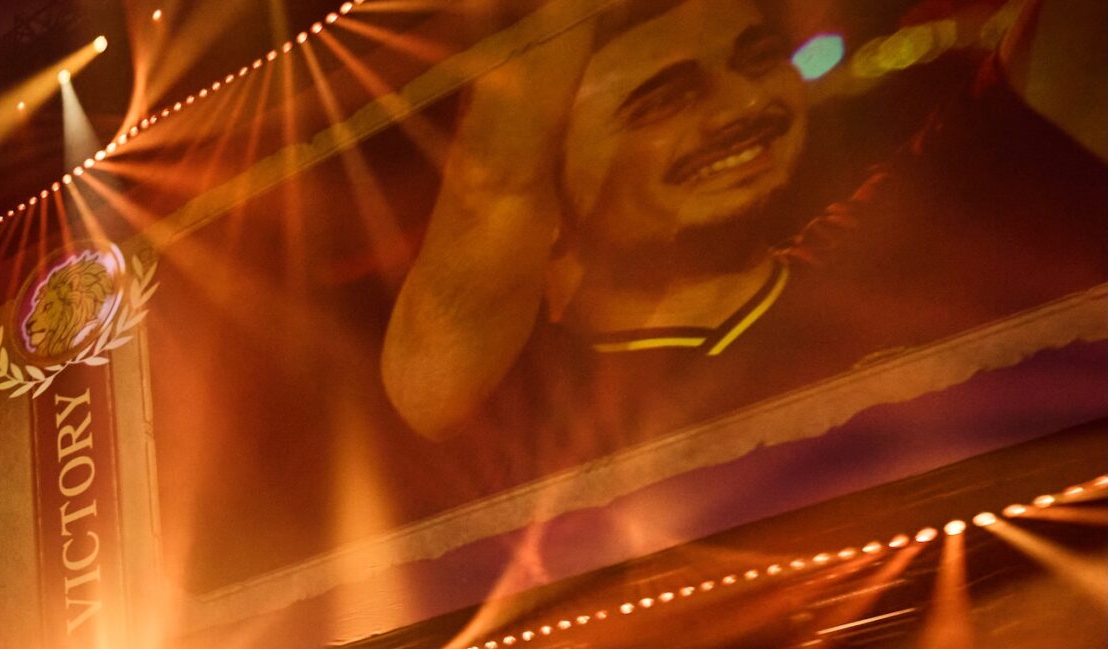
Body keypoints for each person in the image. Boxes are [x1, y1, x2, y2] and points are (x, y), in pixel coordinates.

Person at [383, 0, 1107, 447]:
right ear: (547, 195)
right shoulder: (530, 410)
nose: (738, 108)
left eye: (756, 62)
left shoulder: (910, 243)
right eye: (661, 101)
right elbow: (491, 183)